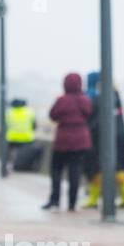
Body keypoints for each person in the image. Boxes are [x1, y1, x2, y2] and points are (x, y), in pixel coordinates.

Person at [82, 72, 124, 208]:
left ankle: (93, 200)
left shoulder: (98, 98)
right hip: (119, 138)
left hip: (101, 139)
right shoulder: (117, 98)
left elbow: (92, 120)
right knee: (120, 168)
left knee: (97, 170)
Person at [44, 72, 92, 212]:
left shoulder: (62, 100)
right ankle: (72, 202)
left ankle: (55, 200)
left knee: (56, 170)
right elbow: (89, 114)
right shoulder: (85, 100)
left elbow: (53, 115)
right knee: (75, 171)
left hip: (63, 139)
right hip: (81, 140)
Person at [5, 96, 40, 171]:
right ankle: (32, 167)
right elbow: (34, 126)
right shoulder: (29, 112)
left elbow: (5, 125)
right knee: (36, 148)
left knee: (8, 152)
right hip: (27, 138)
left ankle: (7, 166)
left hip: (12, 138)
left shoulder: (9, 112)